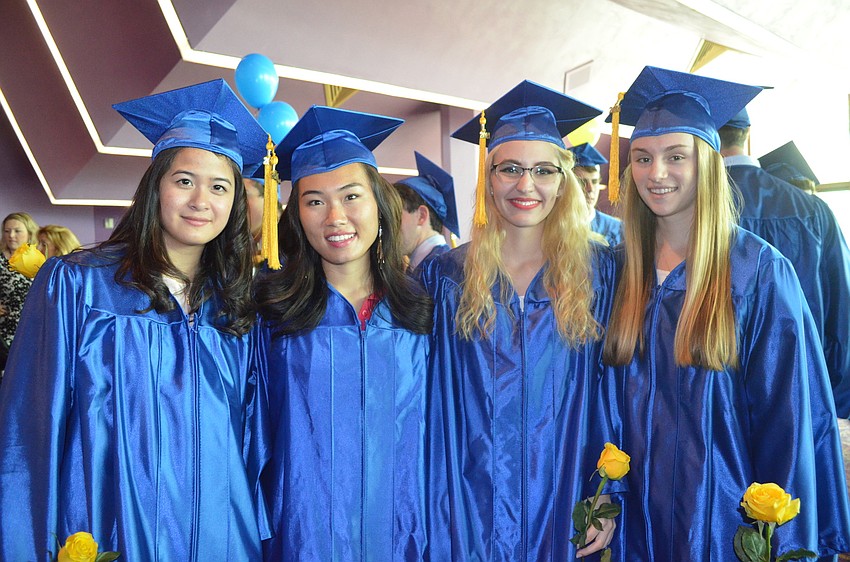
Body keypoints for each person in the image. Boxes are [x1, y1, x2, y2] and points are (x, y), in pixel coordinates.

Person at [0, 79, 270, 560]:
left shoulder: (237, 308)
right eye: (184, 181)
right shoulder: (78, 286)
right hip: (109, 534)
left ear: (234, 204)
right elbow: (29, 434)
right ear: (155, 188)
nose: (201, 200)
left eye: (219, 186)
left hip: (221, 539)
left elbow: (251, 444)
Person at [601, 66, 850, 560]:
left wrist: (778, 540)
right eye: (643, 158)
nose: (656, 173)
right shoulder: (617, 271)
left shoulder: (757, 271)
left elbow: (788, 418)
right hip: (634, 521)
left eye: (676, 156)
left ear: (709, 165)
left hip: (722, 522)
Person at [420, 80, 619, 560]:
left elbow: (616, 388)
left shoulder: (602, 272)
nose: (525, 185)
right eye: (509, 168)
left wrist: (607, 491)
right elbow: (427, 399)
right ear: (488, 177)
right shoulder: (447, 275)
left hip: (568, 493)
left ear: (563, 181)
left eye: (543, 170)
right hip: (467, 502)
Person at [253, 105, 434, 560]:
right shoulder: (270, 316)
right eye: (314, 201)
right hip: (303, 534)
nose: (335, 216)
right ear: (297, 216)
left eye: (351, 196)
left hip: (405, 533)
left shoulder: (421, 311)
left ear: (379, 205)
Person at [720, 109, 850, 417]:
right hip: (803, 380)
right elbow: (841, 306)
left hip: (722, 389)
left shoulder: (694, 207)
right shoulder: (813, 209)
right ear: (747, 133)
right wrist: (836, 396)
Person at [394, 151, 459, 271]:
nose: (388, 225)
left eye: (395, 216)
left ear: (421, 216)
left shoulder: (444, 271)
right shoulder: (420, 268)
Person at [0, 212, 38, 369]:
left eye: (17, 231)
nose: (11, 236)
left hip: (31, 326)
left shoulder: (39, 258)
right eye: (7, 231)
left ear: (29, 233)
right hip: (4, 328)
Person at [569, 142, 623, 246]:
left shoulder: (616, 229)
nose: (590, 189)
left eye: (594, 182)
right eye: (582, 182)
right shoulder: (554, 225)